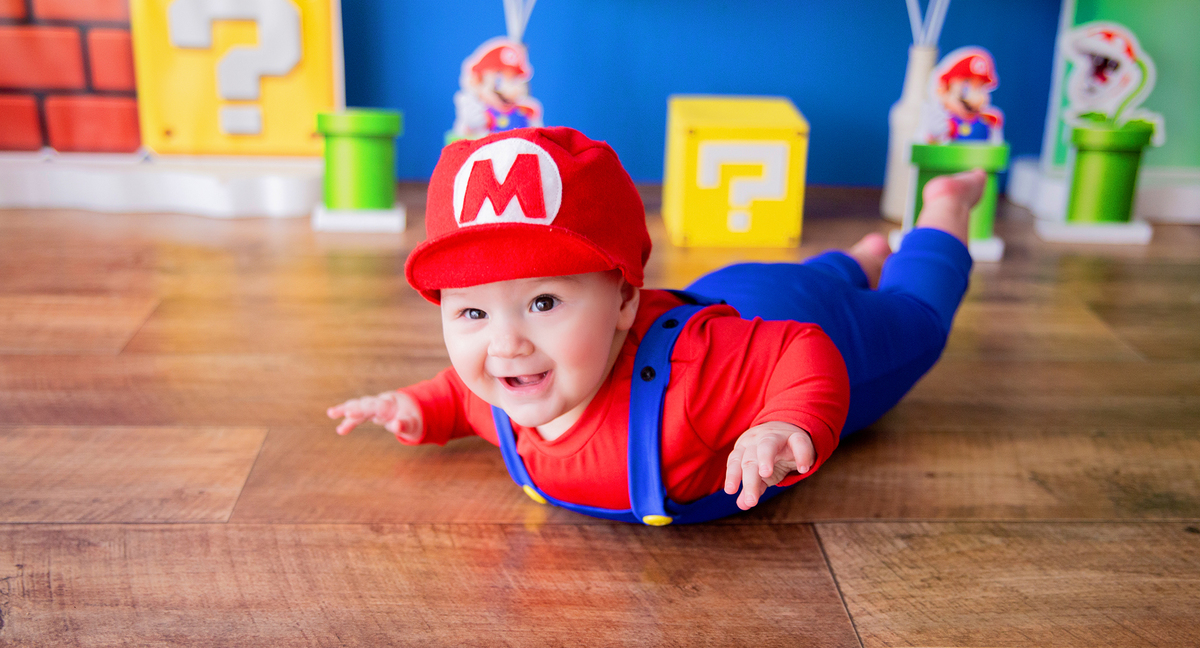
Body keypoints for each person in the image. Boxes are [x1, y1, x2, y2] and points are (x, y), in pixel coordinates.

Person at [328, 127, 982, 525]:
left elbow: (799, 349)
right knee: (821, 273)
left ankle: (941, 214)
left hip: (791, 324)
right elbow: (460, 395)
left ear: (622, 301)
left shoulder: (696, 381)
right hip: (726, 292)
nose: (505, 343)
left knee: (915, 320)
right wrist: (411, 407)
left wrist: (786, 421)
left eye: (545, 302)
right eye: (472, 311)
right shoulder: (508, 379)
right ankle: (862, 256)